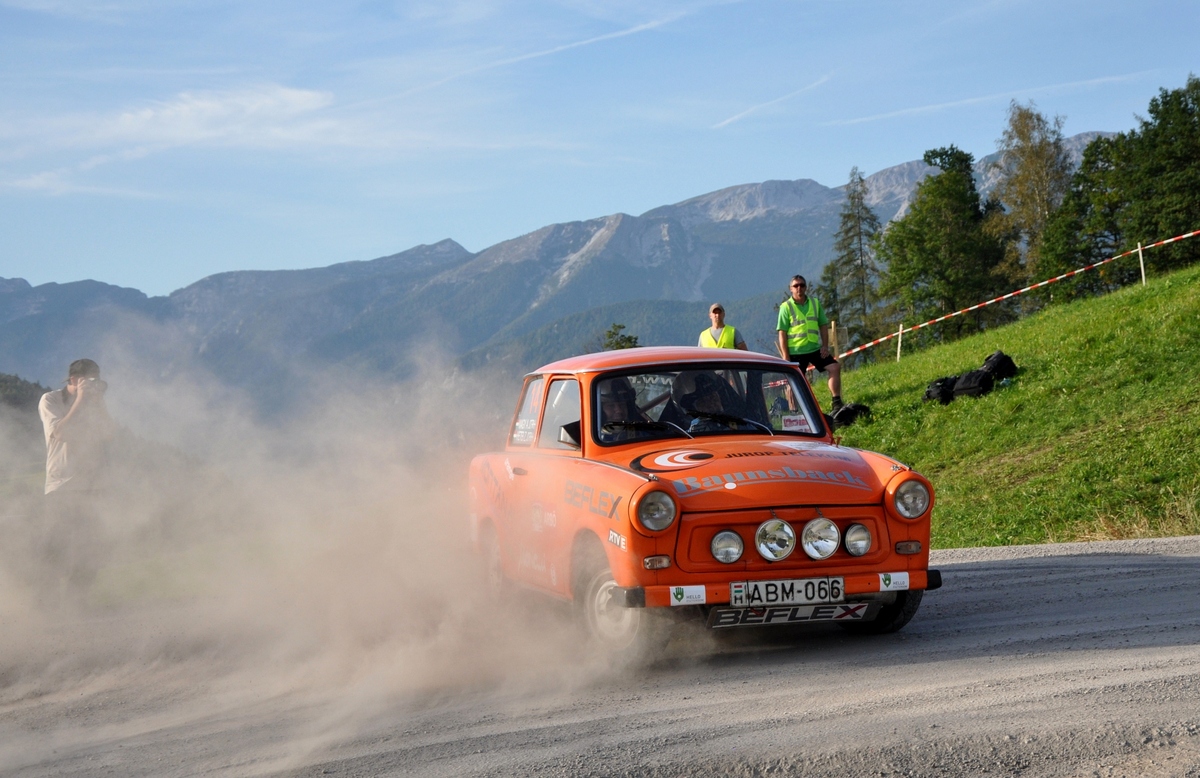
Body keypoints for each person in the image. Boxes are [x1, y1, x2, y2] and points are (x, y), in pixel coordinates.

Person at [38, 358, 115, 592]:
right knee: (55, 547)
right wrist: (80, 400)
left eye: (97, 381)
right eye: (89, 380)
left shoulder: (94, 403)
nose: (93, 385)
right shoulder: (50, 400)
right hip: (62, 484)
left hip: (92, 484)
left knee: (91, 547)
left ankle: (77, 602)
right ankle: (44, 601)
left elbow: (109, 434)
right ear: (74, 379)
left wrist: (98, 402)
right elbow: (59, 433)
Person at [776, 275, 844, 413]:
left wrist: (825, 346)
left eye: (801, 285)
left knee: (834, 367)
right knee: (793, 381)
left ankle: (836, 402)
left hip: (814, 349)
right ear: (791, 289)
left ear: (805, 287)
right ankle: (793, 412)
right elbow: (782, 332)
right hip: (795, 352)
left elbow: (823, 325)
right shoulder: (786, 307)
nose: (799, 288)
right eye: (796, 286)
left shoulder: (815, 303)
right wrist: (785, 356)